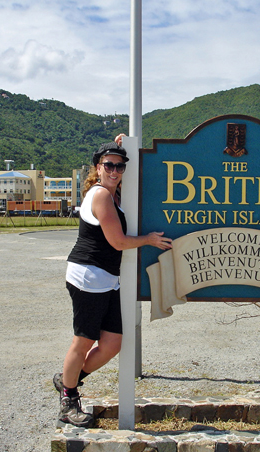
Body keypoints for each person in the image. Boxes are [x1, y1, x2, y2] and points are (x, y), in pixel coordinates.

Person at [53, 135, 172, 427]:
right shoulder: (102, 195)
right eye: (109, 165)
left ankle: (69, 380)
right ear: (98, 166)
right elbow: (117, 241)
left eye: (120, 166)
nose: (115, 171)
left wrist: (124, 141)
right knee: (83, 342)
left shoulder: (113, 192)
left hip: (107, 279)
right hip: (88, 277)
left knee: (112, 343)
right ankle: (68, 403)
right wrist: (148, 240)